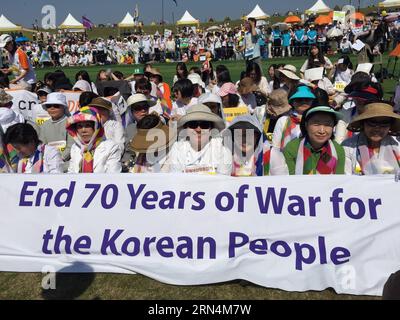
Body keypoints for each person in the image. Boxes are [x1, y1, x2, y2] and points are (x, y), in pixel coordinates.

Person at [167, 104, 232, 175]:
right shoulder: (177, 148)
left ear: (211, 129)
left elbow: (223, 182)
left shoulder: (223, 150)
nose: (198, 129)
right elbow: (176, 180)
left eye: (204, 125)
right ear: (186, 128)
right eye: (193, 124)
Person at [284, 106, 347, 175]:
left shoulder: (338, 150)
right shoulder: (292, 148)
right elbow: (289, 180)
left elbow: (339, 180)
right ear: (306, 125)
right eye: (316, 124)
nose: (322, 131)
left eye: (328, 125)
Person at [342, 103, 400, 175]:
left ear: (390, 126)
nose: (377, 128)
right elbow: (345, 178)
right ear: (363, 123)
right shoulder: (348, 147)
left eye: (384, 123)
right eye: (372, 122)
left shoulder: (397, 147)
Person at [66, 107, 122, 173]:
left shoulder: (111, 147)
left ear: (96, 127)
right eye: (79, 126)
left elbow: (114, 176)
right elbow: (70, 174)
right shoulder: (75, 148)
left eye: (88, 125)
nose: (83, 130)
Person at [272, 85, 316, 150]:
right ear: (292, 102)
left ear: (312, 102)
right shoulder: (283, 120)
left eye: (307, 99)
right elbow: (275, 146)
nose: (303, 102)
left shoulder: (317, 121)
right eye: (299, 99)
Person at [39, 92, 74, 171]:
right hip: (48, 163)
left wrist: (58, 159)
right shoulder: (44, 125)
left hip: (67, 163)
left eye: (56, 106)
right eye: (49, 106)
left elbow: (71, 146)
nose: (52, 108)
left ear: (63, 108)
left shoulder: (70, 123)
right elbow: (42, 146)